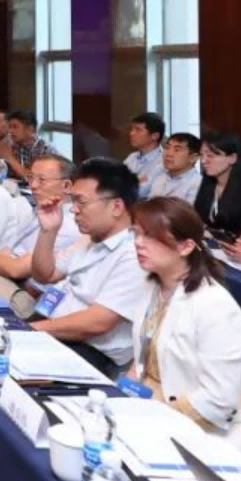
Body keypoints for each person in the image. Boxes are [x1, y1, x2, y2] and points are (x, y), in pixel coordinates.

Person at [126, 196, 241, 433]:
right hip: (144, 404)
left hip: (190, 423)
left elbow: (219, 400)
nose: (138, 243)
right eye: (136, 234)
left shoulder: (215, 306)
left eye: (150, 236)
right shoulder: (153, 284)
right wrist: (120, 395)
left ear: (186, 247)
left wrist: (153, 418)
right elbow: (142, 356)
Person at [29, 158, 150, 374]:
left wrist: (31, 329)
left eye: (81, 202)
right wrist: (48, 231)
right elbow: (44, 274)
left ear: (116, 206)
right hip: (51, 327)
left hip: (88, 351)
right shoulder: (90, 238)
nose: (74, 210)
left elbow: (98, 322)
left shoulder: (134, 254)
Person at [0, 154, 84, 302]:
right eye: (31, 178)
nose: (33, 185)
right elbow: (8, 252)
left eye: (42, 180)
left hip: (20, 292)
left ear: (67, 186)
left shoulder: (70, 226)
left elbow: (16, 270)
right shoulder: (40, 210)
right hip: (0, 276)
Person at [192, 131, 241, 238]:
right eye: (202, 155)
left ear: (232, 158)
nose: (203, 161)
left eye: (210, 156)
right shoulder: (208, 182)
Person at [0, 109, 52, 179]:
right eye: (10, 127)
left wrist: (10, 158)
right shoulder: (16, 145)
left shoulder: (44, 148)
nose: (10, 131)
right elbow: (10, 170)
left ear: (30, 129)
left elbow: (32, 177)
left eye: (15, 127)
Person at [148, 133, 202, 203]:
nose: (168, 154)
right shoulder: (160, 175)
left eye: (177, 150)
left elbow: (188, 210)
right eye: (167, 148)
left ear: (193, 157)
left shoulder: (199, 185)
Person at [123, 112, 167, 199]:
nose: (131, 133)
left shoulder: (164, 161)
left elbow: (140, 192)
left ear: (155, 136)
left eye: (138, 130)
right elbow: (115, 184)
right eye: (132, 129)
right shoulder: (132, 157)